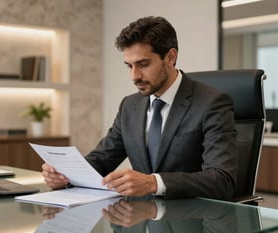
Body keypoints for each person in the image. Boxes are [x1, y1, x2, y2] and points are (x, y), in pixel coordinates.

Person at [42, 16, 238, 200]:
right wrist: (66, 174)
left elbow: (222, 180)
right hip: (139, 218)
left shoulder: (212, 103)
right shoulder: (130, 106)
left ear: (170, 57)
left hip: (192, 219)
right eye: (129, 66)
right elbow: (102, 158)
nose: (134, 76)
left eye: (143, 64)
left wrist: (154, 183)